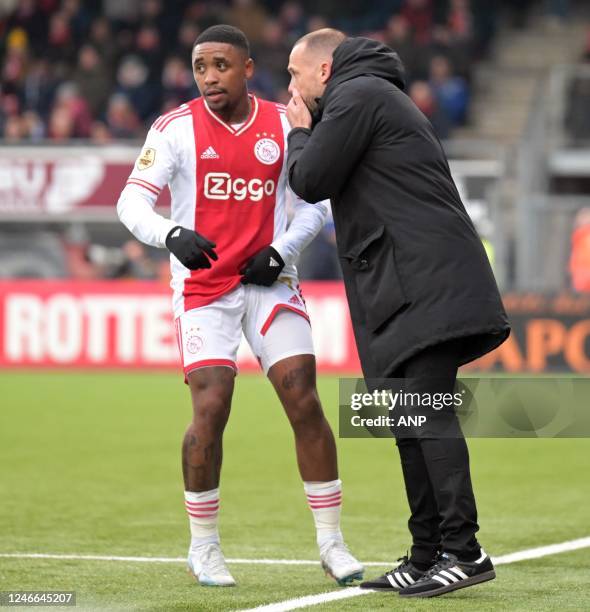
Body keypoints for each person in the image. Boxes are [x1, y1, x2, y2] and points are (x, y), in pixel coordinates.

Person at [116, 25, 363, 588]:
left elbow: (313, 206)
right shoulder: (174, 128)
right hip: (205, 290)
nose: (208, 77)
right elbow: (132, 200)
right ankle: (203, 547)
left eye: (220, 66)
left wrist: (280, 250)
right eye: (200, 67)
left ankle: (332, 543)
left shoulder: (283, 123)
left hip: (270, 283)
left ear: (248, 69)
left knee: (303, 397)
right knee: (212, 407)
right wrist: (171, 234)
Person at [285, 29, 510, 598]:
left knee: (427, 416)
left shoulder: (357, 95)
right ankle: (427, 551)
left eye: (295, 73)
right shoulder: (370, 94)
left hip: (424, 281)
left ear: (324, 70)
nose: (291, 86)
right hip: (410, 282)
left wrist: (298, 135)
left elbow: (310, 181)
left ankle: (465, 551)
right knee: (411, 420)